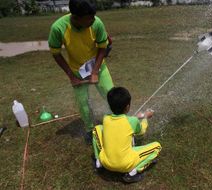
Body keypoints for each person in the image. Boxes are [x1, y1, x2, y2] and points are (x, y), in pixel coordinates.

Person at [48, 0, 113, 143]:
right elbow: (56, 53)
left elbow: (103, 47)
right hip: (77, 70)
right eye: (88, 19)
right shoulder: (58, 28)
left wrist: (95, 71)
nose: (93, 21)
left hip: (98, 66)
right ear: (76, 17)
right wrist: (71, 76)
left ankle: (117, 122)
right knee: (83, 103)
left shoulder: (97, 23)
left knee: (110, 94)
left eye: (93, 16)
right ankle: (90, 129)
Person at [92, 87, 162, 183]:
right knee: (157, 147)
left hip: (105, 161)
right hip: (125, 165)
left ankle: (98, 161)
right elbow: (142, 131)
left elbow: (120, 123)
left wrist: (134, 118)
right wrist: (145, 117)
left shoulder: (106, 118)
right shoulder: (132, 121)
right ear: (127, 107)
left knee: (97, 129)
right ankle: (132, 173)